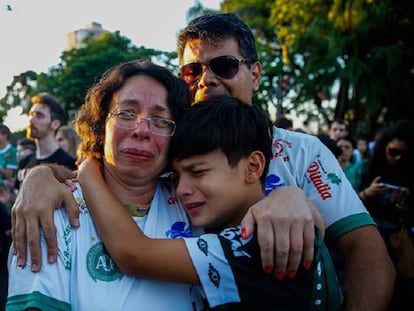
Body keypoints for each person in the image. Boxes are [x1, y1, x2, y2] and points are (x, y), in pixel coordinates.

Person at [12, 13, 395, 310]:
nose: (206, 80)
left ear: (255, 73)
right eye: (192, 70)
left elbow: (367, 253)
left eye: (224, 65)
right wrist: (42, 176)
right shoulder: (170, 147)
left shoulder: (301, 152)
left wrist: (289, 195)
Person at [76, 95, 343, 309]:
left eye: (198, 172)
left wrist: (88, 171)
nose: (181, 190)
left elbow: (132, 253)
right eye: (177, 176)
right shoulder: (291, 220)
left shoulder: (257, 241)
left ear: (252, 167)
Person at [7, 61, 210, 310]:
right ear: (101, 126)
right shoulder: (52, 211)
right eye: (126, 114)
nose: (142, 130)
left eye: (159, 120)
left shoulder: (198, 210)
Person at [358, 120, 414, 310]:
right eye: (393, 152)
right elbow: (347, 204)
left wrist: (400, 202)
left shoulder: (408, 173)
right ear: (385, 147)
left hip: (397, 241)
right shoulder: (366, 168)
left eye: (403, 154)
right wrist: (369, 193)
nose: (397, 158)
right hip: (368, 237)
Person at [14, 93, 77, 191]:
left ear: (55, 124)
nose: (31, 120)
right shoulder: (24, 162)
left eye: (39, 116)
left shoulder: (69, 164)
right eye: (31, 114)